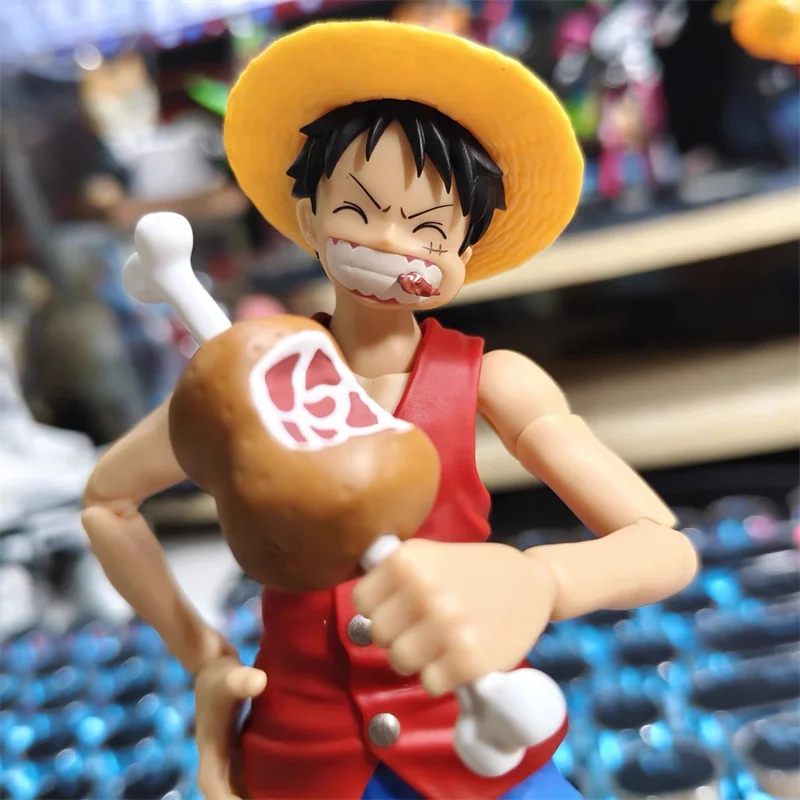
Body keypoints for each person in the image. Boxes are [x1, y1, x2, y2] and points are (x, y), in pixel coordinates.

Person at [82, 20, 699, 800]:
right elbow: (107, 502)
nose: (390, 243)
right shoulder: (250, 378)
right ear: (308, 217)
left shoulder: (496, 381)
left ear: (465, 255)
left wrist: (539, 579)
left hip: (475, 744)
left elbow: (663, 548)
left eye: (430, 228)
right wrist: (202, 654)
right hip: (303, 761)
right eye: (360, 210)